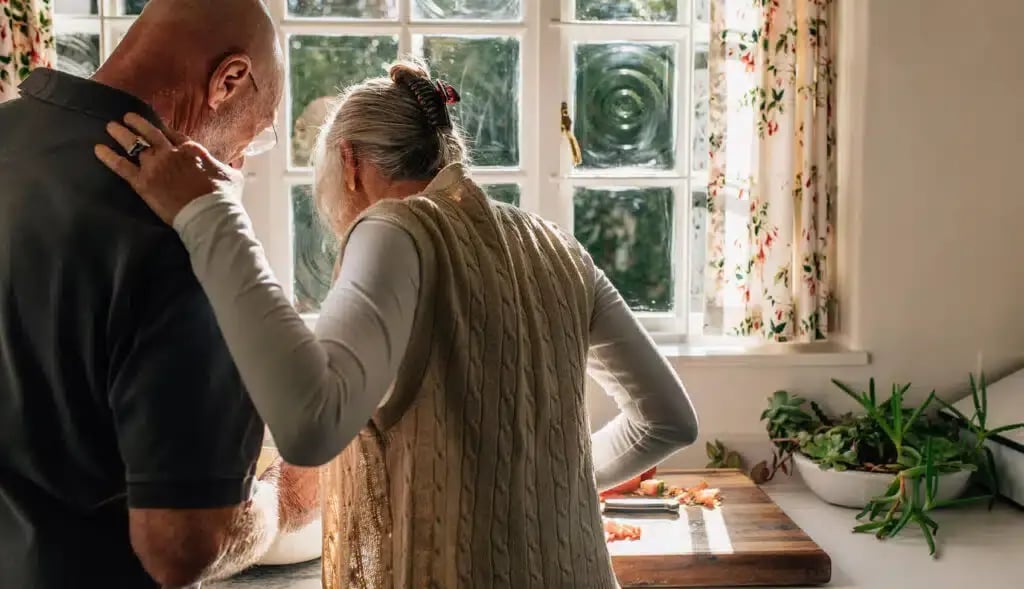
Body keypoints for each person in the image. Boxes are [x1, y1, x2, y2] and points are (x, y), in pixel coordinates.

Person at [94, 60, 699, 588]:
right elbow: (668, 419)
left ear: (350, 164)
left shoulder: (393, 227)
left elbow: (310, 423)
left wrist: (212, 214)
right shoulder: (559, 248)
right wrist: (540, 481)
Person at [0, 1, 320, 587]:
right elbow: (182, 546)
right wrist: (281, 503)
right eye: (262, 128)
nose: (245, 155)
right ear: (228, 79)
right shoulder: (187, 232)